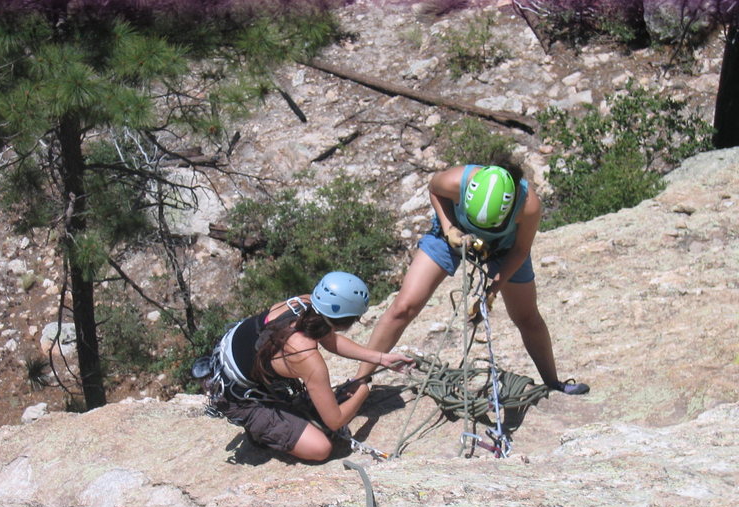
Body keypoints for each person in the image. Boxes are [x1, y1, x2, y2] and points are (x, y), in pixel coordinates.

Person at [355, 162, 589, 395]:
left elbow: (520, 250)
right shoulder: (455, 181)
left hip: (505, 248)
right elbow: (434, 189)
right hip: (453, 233)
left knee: (527, 317)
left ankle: (553, 382)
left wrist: (492, 291)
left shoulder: (528, 206)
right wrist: (448, 229)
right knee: (404, 307)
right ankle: (358, 383)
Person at [203, 271, 412, 462]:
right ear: (344, 322)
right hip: (238, 398)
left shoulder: (304, 304)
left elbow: (330, 341)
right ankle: (260, 428)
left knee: (319, 408)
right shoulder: (307, 358)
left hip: (228, 365)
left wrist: (380, 358)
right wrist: (363, 390)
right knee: (320, 448)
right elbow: (336, 421)